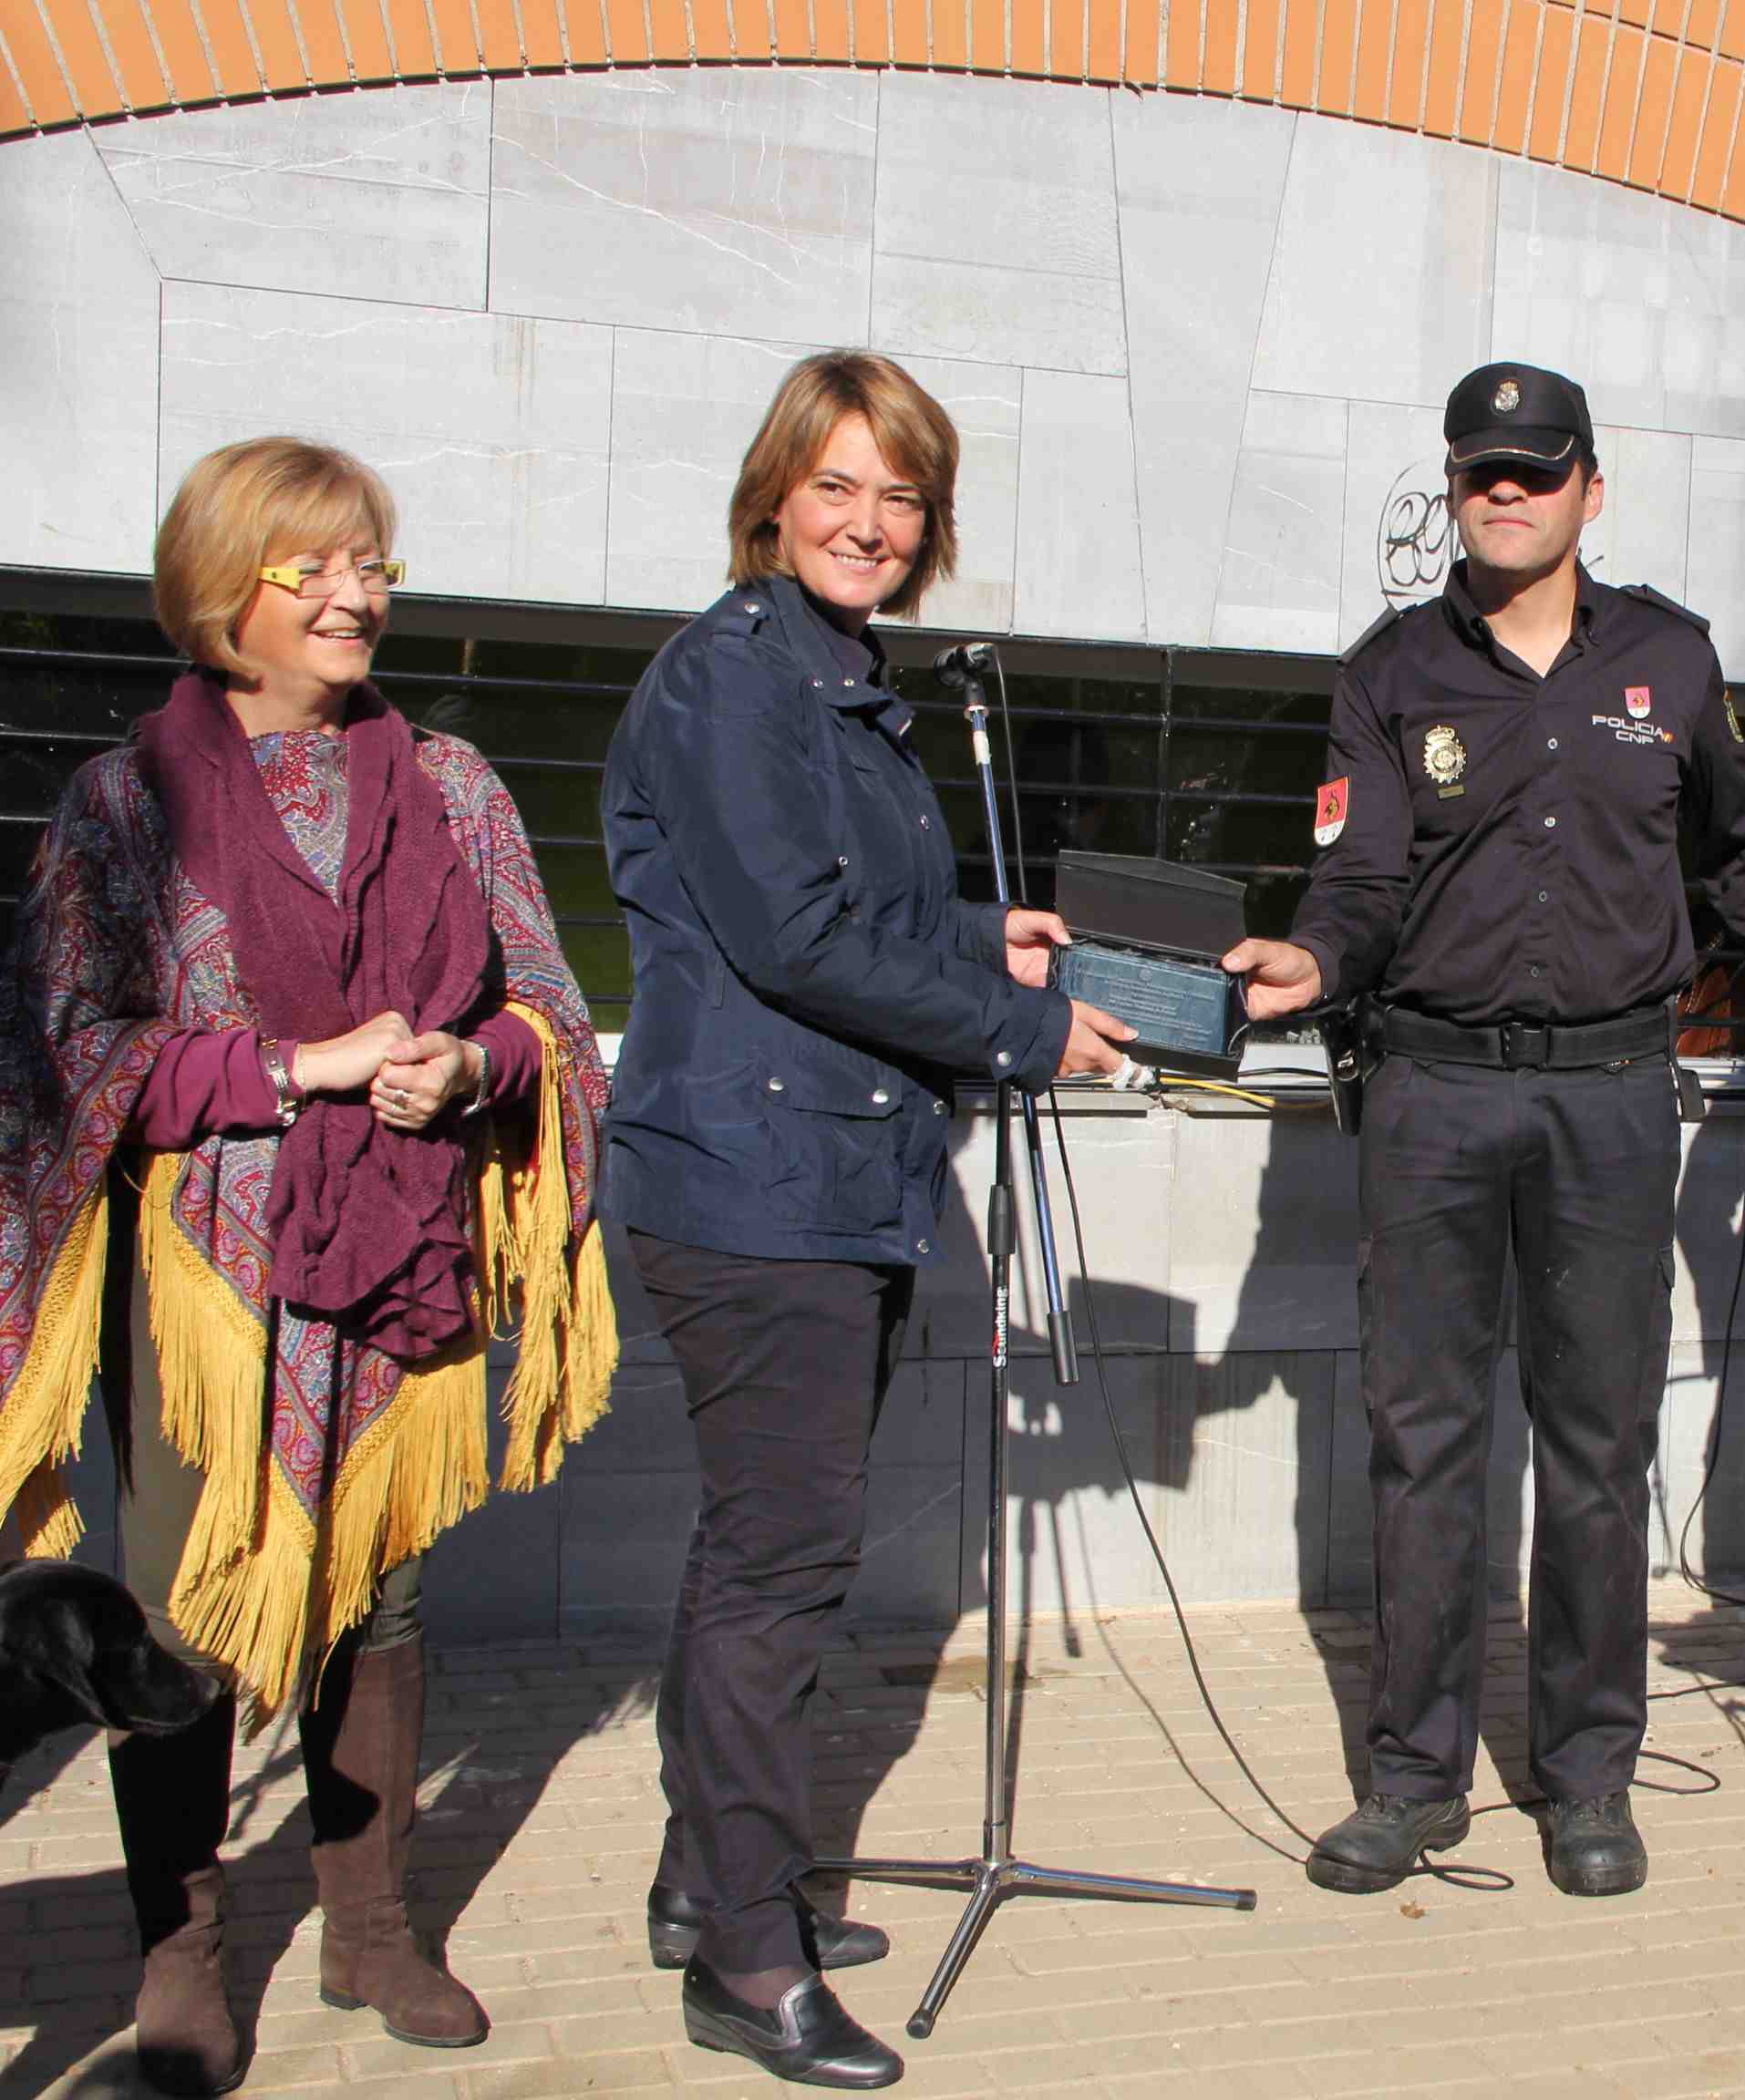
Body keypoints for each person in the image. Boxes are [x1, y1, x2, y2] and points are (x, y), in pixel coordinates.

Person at [0, 437, 615, 2092]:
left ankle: (372, 1931)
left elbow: (547, 1007)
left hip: (402, 1241)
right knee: (179, 1607)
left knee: (384, 1597)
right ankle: (183, 1953)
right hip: (203, 1285)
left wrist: (469, 1069)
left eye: (372, 564)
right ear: (224, 593)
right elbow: (70, 1049)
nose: (356, 595)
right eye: (314, 566)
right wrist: (297, 1070)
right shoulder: (126, 803)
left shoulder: (456, 784)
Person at [1228, 361, 1745, 1899]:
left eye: (1535, 469)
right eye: (1479, 473)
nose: (1504, 494)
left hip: (1609, 1096)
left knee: (1597, 1444)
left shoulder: (1674, 659)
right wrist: (1316, 962)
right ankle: (1414, 1780)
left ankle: (1590, 1779)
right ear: (1453, 490)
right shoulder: (1388, 674)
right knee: (1425, 1443)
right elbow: (1359, 876)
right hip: (1433, 1094)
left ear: (1593, 484)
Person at [599, 351, 1130, 2089]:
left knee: (756, 1553)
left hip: (829, 1173)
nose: (870, 523)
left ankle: (712, 1885)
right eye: (837, 487)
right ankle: (749, 1965)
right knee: (783, 1567)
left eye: (900, 496)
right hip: (758, 1189)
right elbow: (792, 944)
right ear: (774, 495)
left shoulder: (843, 686)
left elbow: (856, 905)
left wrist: (995, 937)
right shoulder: (733, 680)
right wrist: (1031, 1027)